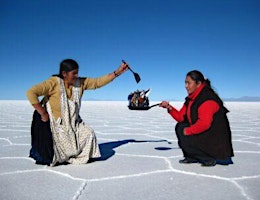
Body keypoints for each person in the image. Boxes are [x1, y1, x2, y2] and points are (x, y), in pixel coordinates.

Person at [27, 59, 129, 166]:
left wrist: (118, 72)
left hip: (74, 122)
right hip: (57, 125)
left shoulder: (80, 83)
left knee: (88, 133)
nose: (76, 75)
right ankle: (64, 156)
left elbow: (97, 82)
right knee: (63, 146)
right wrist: (43, 113)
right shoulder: (53, 83)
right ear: (64, 73)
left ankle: (80, 156)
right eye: (74, 73)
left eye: (77, 72)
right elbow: (31, 92)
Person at [159, 70, 234, 167]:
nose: (186, 86)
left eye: (189, 83)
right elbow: (181, 117)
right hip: (204, 133)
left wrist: (188, 131)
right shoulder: (191, 99)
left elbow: (204, 124)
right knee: (180, 126)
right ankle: (192, 157)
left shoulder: (207, 99)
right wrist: (169, 108)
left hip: (214, 138)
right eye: (185, 83)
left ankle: (208, 157)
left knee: (184, 130)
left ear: (198, 84)